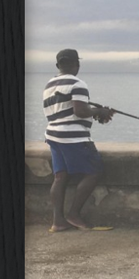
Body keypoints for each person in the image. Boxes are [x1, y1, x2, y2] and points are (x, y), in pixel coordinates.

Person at [43, 49, 115, 231]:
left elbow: (66, 111)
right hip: (73, 138)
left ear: (58, 65)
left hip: (53, 135)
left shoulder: (49, 85)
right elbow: (80, 111)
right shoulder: (78, 84)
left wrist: (93, 111)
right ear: (77, 65)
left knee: (60, 177)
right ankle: (74, 214)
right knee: (94, 171)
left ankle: (57, 221)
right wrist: (99, 111)